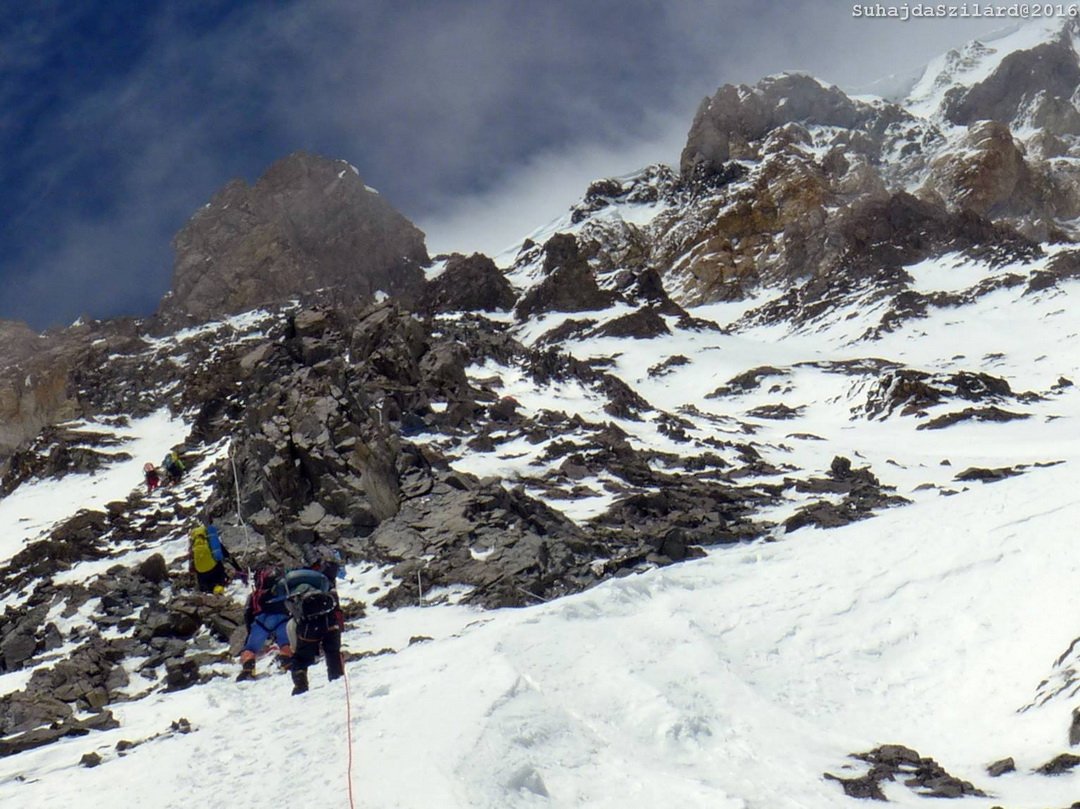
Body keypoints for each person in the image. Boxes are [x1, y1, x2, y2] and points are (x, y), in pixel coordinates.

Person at [281, 567, 344, 695]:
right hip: (330, 621)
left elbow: (294, 616)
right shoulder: (322, 588)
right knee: (333, 653)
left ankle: (301, 686)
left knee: (301, 658)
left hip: (309, 626)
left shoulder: (293, 594)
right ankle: (336, 680)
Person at [236, 566, 292, 681]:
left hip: (261, 621)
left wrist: (250, 630)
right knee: (284, 643)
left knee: (250, 648)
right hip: (282, 618)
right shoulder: (283, 590)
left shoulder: (256, 594)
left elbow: (248, 613)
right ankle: (287, 663)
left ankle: (248, 669)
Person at [189, 521, 234, 594]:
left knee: (204, 584)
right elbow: (223, 553)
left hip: (202, 574)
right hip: (214, 569)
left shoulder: (193, 545)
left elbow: (192, 563)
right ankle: (220, 585)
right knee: (217, 561)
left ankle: (210, 588)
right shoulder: (210, 538)